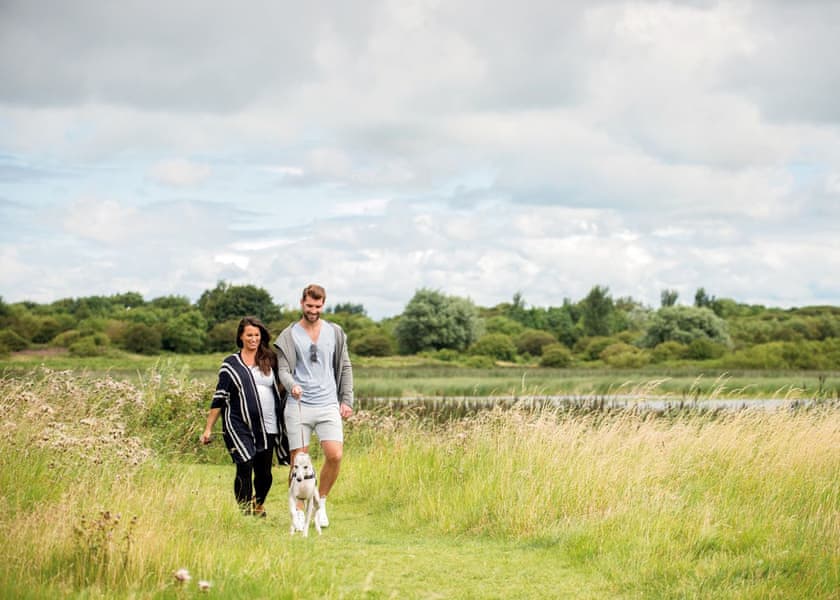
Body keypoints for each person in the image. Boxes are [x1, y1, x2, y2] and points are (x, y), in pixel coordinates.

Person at [274, 284, 353, 530]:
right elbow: (283, 370)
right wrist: (292, 385)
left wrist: (346, 400)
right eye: (309, 306)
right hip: (299, 405)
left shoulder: (335, 332)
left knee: (335, 455)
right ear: (302, 303)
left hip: (328, 402)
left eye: (318, 306)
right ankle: (298, 511)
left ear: (323, 305)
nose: (313, 310)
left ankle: (320, 502)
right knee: (298, 460)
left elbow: (345, 366)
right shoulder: (288, 335)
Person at [201, 316, 289, 517]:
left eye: (257, 335)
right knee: (244, 464)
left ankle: (258, 503)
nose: (253, 339)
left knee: (264, 474)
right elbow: (219, 397)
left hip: (268, 425)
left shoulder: (269, 359)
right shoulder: (230, 364)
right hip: (238, 424)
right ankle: (245, 513)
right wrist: (208, 428)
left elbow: (283, 385)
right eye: (249, 335)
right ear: (241, 336)